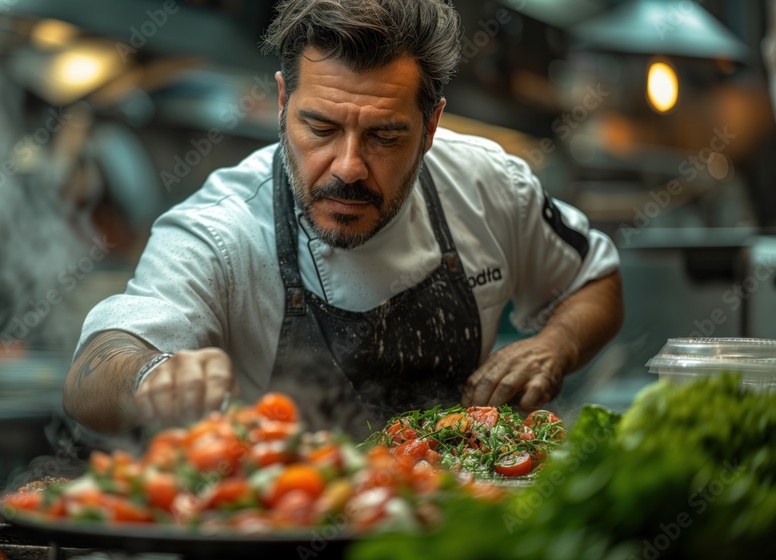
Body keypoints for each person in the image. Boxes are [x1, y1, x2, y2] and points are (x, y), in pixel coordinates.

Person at [63, 0, 624, 436]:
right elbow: (94, 370)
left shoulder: (487, 185)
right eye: (322, 129)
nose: (349, 168)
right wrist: (148, 376)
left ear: (430, 128)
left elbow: (594, 280)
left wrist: (558, 344)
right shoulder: (222, 229)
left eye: (385, 135)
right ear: (283, 105)